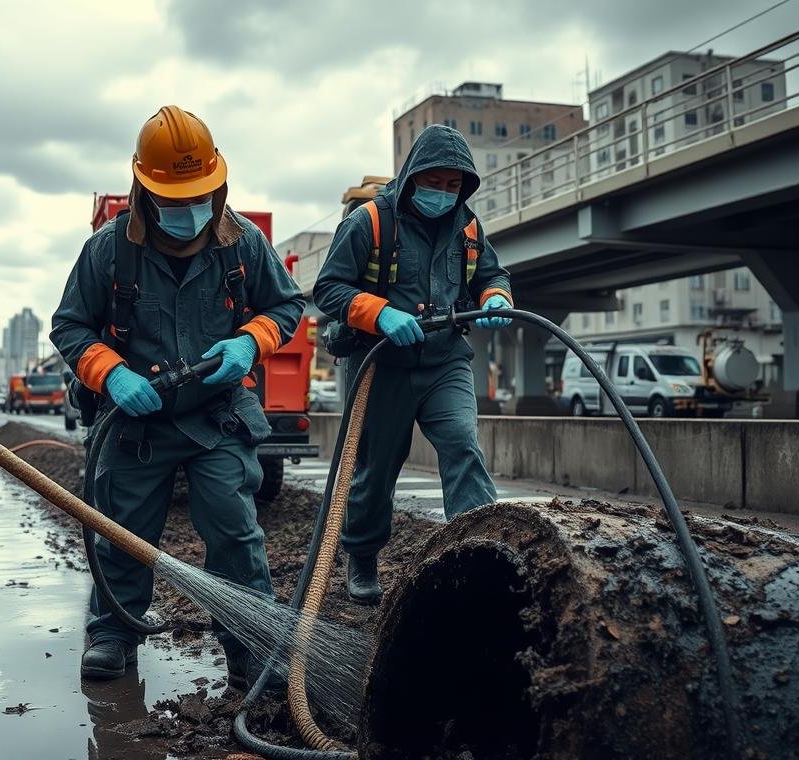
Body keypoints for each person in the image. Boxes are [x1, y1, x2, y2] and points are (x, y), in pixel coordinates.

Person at [50, 105, 305, 688]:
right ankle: (114, 632)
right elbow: (70, 326)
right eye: (175, 197)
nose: (189, 212)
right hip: (135, 425)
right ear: (144, 189)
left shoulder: (243, 243)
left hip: (215, 419)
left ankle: (253, 647)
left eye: (199, 195)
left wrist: (250, 342)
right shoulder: (109, 251)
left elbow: (286, 306)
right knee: (123, 530)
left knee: (233, 529)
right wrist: (112, 373)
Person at [313, 124, 513, 605]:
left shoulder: (467, 227)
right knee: (376, 471)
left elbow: (492, 272)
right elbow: (329, 289)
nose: (442, 194)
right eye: (433, 182)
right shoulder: (370, 222)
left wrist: (497, 296)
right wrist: (380, 314)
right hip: (382, 365)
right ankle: (361, 556)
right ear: (412, 177)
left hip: (446, 361)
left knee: (463, 446)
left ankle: (479, 552)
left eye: (452, 186)